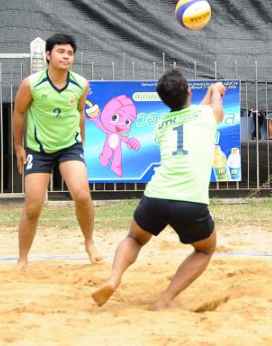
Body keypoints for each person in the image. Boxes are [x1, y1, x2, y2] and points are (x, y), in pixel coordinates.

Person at [91, 69, 225, 310]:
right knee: (205, 249)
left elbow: (193, 113)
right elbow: (215, 111)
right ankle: (165, 298)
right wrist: (216, 91)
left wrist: (208, 94)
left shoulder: (162, 124)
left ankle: (113, 279)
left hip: (156, 196)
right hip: (189, 202)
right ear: (188, 91)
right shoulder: (204, 116)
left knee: (134, 238)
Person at [13, 33, 102, 268]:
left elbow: (81, 111)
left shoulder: (80, 84)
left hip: (69, 147)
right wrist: (18, 146)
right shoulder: (31, 84)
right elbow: (19, 113)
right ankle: (22, 258)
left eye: (70, 53)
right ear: (48, 55)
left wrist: (81, 139)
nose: (66, 56)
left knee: (82, 194)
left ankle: (89, 243)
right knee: (33, 206)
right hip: (38, 149)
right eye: (61, 52)